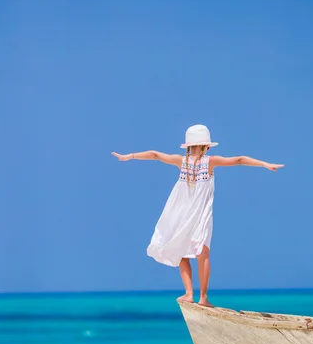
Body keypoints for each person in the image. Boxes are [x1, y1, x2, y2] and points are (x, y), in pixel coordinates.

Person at [112, 124, 284, 307]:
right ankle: (203, 298)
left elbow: (154, 154)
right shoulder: (210, 162)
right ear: (207, 146)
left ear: (187, 146)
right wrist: (265, 164)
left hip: (179, 212)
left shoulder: (180, 161)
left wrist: (129, 156)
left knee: (181, 252)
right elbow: (239, 159)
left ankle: (188, 293)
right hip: (200, 213)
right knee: (203, 254)